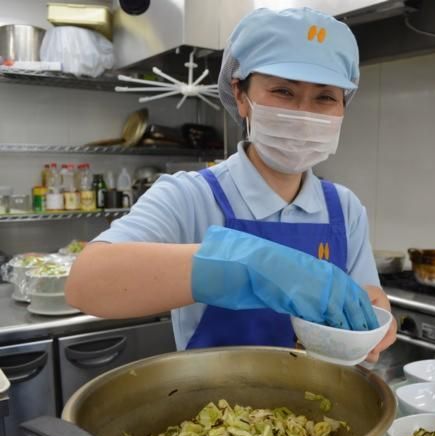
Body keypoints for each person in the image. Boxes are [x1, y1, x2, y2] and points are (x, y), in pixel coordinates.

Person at [66, 7, 396, 362]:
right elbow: (86, 283)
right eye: (283, 91)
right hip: (213, 397)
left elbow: (368, 305)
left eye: (325, 97)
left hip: (322, 397)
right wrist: (248, 266)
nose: (304, 114)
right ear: (240, 95)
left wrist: (375, 323)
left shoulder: (345, 210)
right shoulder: (188, 197)